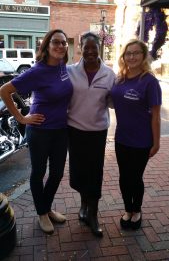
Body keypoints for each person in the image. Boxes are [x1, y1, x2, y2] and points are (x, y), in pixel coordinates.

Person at [0, 29, 73, 234]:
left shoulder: (62, 67)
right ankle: (42, 213)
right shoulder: (37, 71)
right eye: (56, 42)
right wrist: (21, 118)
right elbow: (5, 91)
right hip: (40, 131)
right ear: (47, 46)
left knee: (57, 173)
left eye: (64, 43)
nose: (60, 46)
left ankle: (46, 208)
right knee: (39, 173)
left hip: (61, 130)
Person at [67, 31, 116, 237]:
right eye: (85, 47)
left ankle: (93, 215)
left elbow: (113, 103)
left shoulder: (109, 74)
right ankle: (83, 206)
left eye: (93, 47)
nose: (89, 51)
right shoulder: (69, 71)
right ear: (80, 48)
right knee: (78, 173)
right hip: (74, 130)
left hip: (97, 132)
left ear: (99, 49)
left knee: (94, 173)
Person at [111, 39, 162, 230]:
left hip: (142, 140)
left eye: (136, 53)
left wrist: (156, 143)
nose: (131, 57)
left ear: (143, 56)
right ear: (123, 57)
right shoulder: (120, 78)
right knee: (124, 177)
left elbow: (156, 116)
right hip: (121, 138)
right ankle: (128, 209)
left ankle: (137, 210)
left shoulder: (149, 81)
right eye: (128, 53)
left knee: (135, 177)